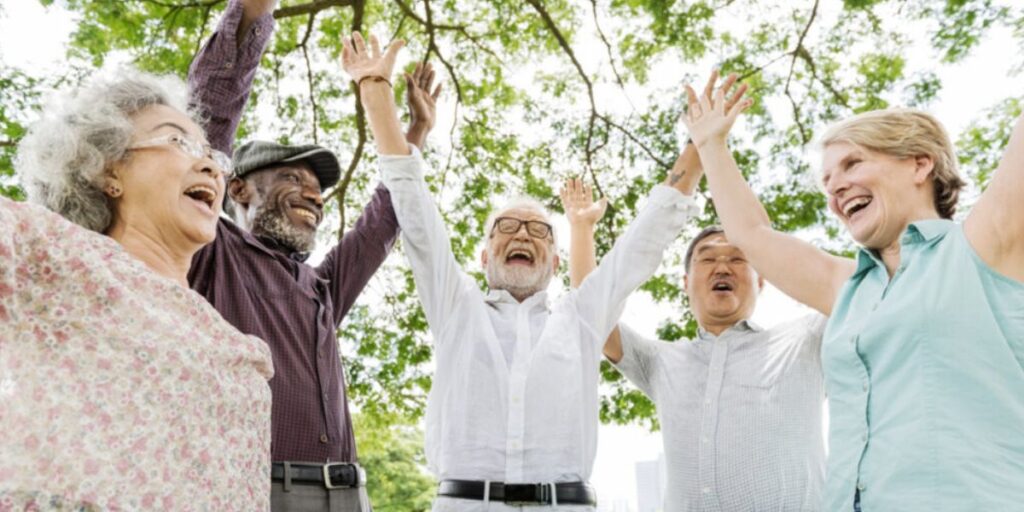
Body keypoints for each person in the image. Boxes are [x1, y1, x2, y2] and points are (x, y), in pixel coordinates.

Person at [341, 31, 711, 510]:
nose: (521, 235)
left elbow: (645, 240)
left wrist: (700, 147)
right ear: (484, 256)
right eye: (507, 227)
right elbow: (411, 201)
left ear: (556, 262)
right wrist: (374, 88)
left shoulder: (582, 315)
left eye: (539, 230)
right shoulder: (456, 304)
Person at [683, 74, 1024, 510]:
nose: (836, 188)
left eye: (853, 164)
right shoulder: (847, 288)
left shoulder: (983, 247)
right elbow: (750, 233)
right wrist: (711, 145)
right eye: (828, 181)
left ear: (920, 164)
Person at [185, 2, 439, 509]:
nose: (315, 195)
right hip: (251, 489)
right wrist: (253, 13)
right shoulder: (212, 251)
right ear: (236, 188)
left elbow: (383, 219)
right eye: (292, 178)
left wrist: (414, 134)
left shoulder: (322, 286)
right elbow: (205, 130)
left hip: (347, 494)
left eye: (319, 188)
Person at [0, 68, 273, 510]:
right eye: (176, 142)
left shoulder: (235, 344)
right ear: (108, 169)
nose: (209, 165)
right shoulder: (55, 253)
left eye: (212, 155)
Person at [564, 176, 827, 511]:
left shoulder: (807, 340)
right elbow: (592, 312)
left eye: (737, 258)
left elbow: (857, 286)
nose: (722, 266)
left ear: (762, 280)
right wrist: (582, 229)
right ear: (686, 283)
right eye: (707, 258)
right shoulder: (660, 360)